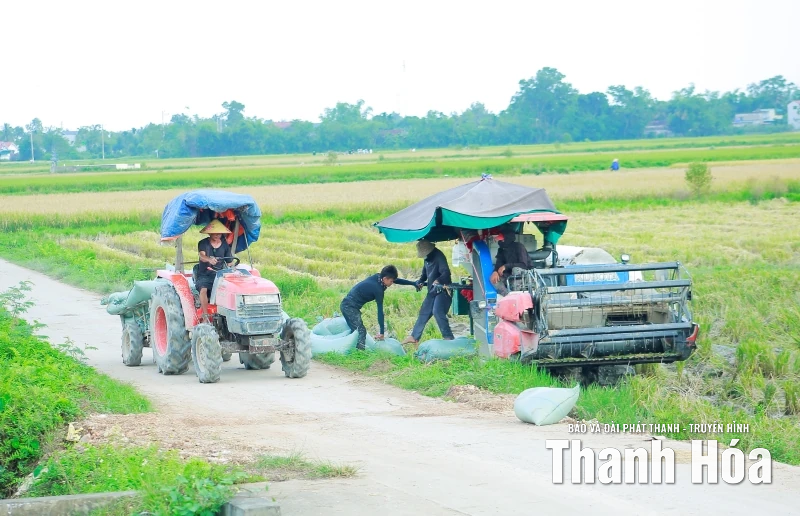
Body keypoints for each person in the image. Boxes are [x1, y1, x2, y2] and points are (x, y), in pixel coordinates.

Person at [340, 265, 418, 350]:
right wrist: (382, 332)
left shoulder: (379, 277)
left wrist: (413, 283)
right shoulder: (378, 289)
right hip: (349, 307)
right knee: (361, 331)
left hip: (350, 306)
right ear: (385, 279)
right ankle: (359, 354)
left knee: (356, 330)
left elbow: (396, 280)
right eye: (391, 282)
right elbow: (380, 311)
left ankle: (352, 350)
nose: (392, 283)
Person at [402, 239, 455, 345]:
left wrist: (438, 280)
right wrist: (420, 281)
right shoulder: (427, 259)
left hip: (442, 289)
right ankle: (414, 337)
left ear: (430, 250)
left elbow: (446, 272)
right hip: (432, 290)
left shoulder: (439, 256)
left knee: (437, 311)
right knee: (424, 312)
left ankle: (448, 337)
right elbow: (424, 274)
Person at [196, 219, 234, 322]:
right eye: (214, 233)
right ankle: (205, 316)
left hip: (219, 275)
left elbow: (229, 261)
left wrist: (232, 267)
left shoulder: (225, 245)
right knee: (203, 290)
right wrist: (209, 259)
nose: (217, 235)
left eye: (219, 233)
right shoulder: (203, 243)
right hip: (205, 274)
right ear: (209, 233)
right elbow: (202, 256)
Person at [489, 224, 532, 296]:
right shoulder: (501, 250)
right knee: (493, 279)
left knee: (516, 269)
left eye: (502, 239)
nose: (500, 241)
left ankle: (517, 296)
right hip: (508, 275)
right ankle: (507, 296)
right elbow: (498, 264)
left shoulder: (518, 246)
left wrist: (506, 266)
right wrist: (495, 272)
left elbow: (523, 265)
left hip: (523, 274)